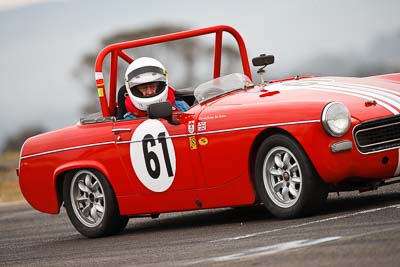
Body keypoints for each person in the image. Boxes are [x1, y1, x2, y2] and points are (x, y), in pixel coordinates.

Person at [117, 57, 189, 120]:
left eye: (153, 86)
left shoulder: (180, 106)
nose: (149, 92)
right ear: (135, 89)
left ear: (160, 85)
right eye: (144, 88)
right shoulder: (128, 120)